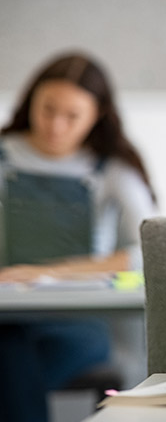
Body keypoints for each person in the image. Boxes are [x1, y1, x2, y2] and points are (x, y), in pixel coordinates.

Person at [0, 52, 157, 422]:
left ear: (97, 115)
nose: (55, 125)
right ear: (30, 102)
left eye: (72, 116)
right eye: (47, 109)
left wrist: (50, 273)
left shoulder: (113, 171)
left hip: (82, 323)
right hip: (8, 316)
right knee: (9, 350)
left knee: (12, 364)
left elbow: (150, 250)